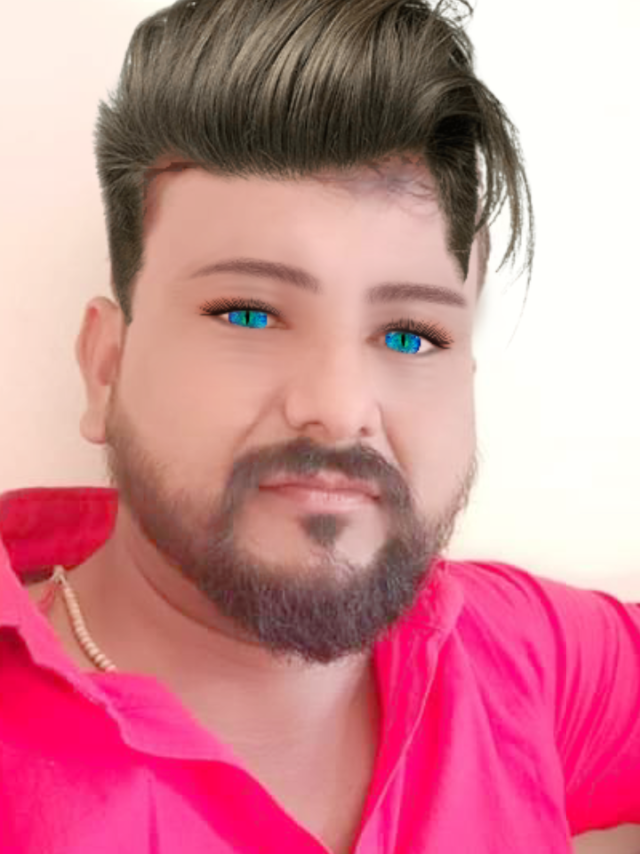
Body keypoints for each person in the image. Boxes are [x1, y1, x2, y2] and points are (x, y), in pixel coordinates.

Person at [0, 0, 638, 852]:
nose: (338, 406)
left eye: (410, 335)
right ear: (105, 365)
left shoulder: (526, 658)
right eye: (249, 314)